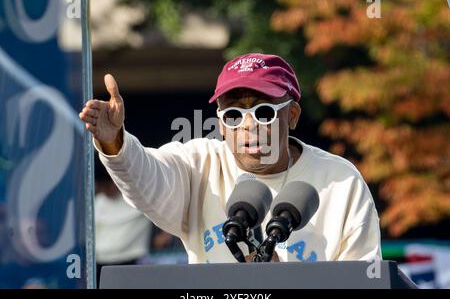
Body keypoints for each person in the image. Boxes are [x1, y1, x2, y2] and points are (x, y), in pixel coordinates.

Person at [79, 53, 382, 264]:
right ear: (221, 124)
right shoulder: (199, 163)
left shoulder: (341, 181)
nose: (249, 125)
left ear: (291, 116)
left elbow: (365, 276)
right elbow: (148, 178)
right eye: (234, 114)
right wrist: (114, 140)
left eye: (263, 111)